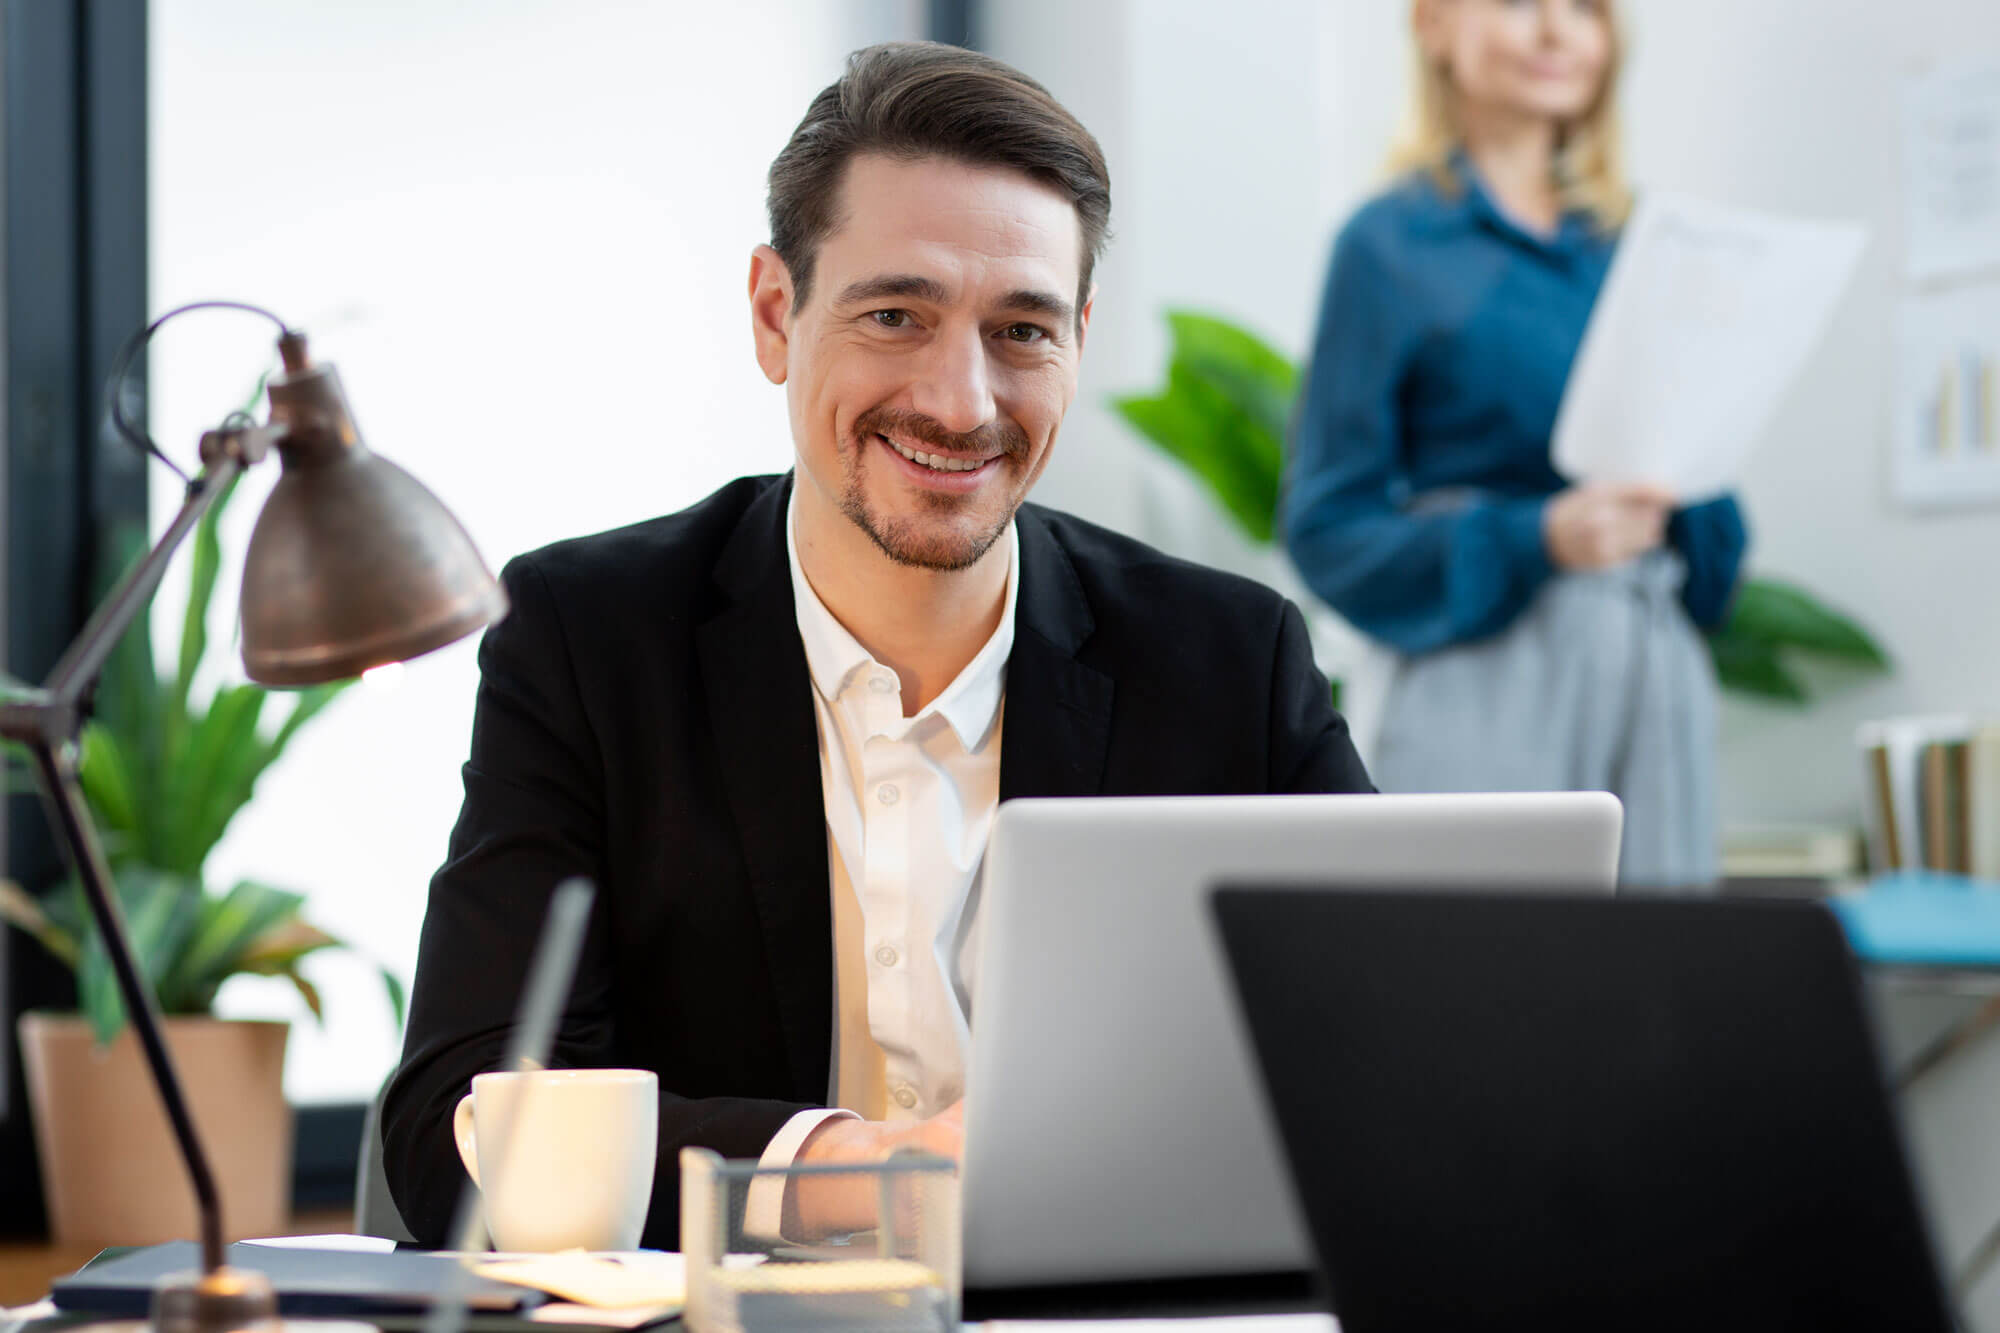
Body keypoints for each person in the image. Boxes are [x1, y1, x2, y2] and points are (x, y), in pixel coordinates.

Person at [382, 40, 1371, 1250]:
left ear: (1079, 335)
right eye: (894, 315)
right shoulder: (590, 640)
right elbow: (455, 1131)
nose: (960, 402)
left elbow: (1382, 1080)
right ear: (772, 314)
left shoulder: (1229, 658)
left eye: (1020, 331)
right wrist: (860, 1168)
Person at [1284, 0, 1744, 889]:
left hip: (1653, 685)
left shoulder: (1640, 249)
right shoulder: (1386, 247)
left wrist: (1694, 462)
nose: (1555, 32)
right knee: (1474, 993)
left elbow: (1720, 564)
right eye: (1519, 3)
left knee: (1653, 1000)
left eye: (1584, 9)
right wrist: (1538, 538)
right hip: (1485, 686)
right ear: (1431, 25)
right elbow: (1327, 529)